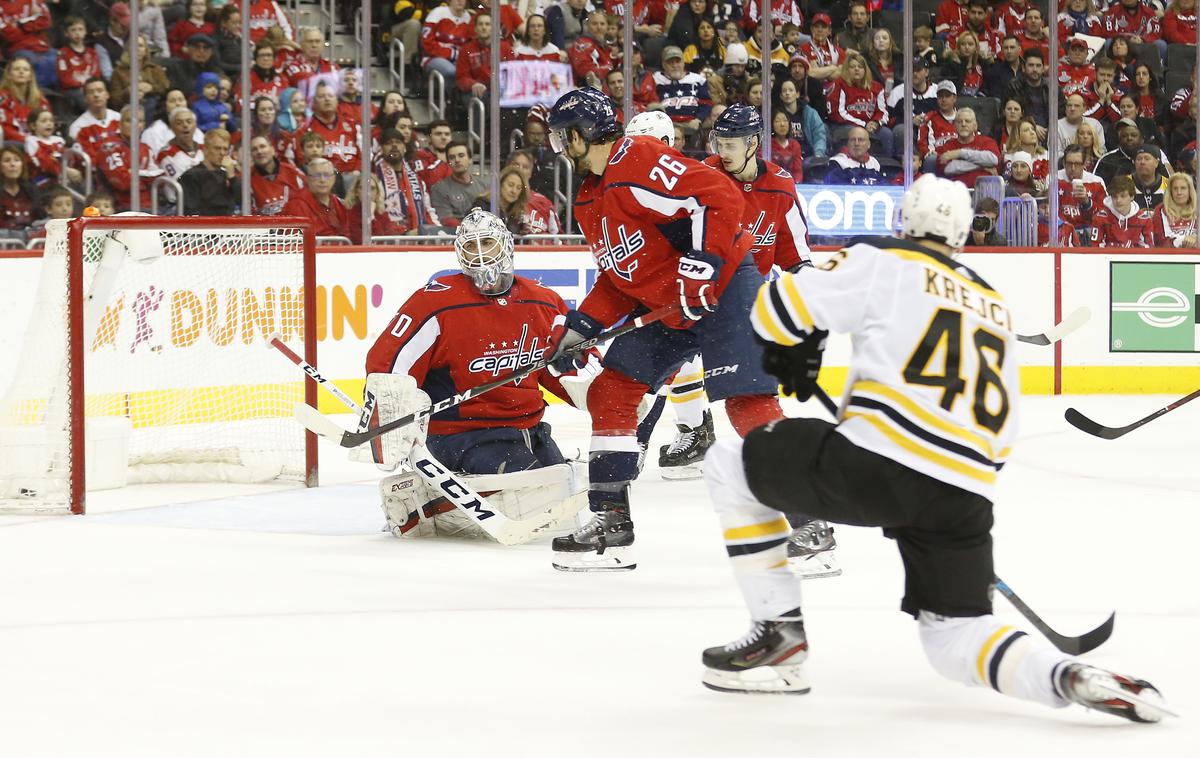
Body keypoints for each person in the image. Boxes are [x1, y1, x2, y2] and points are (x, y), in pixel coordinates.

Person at [696, 172, 1171, 728]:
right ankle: (1066, 676)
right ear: (964, 234)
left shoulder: (884, 259)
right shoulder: (992, 303)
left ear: (904, 221)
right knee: (954, 638)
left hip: (879, 464)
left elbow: (774, 310)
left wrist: (802, 344)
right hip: (966, 493)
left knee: (728, 464)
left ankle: (779, 634)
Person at [543, 87, 785, 572]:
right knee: (612, 390)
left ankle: (806, 520)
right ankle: (610, 517)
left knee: (746, 401)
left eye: (557, 138)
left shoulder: (637, 160)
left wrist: (702, 266)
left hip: (725, 287)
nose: (555, 148)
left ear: (579, 134)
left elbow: (719, 197)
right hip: (670, 307)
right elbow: (620, 277)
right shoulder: (591, 195)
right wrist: (580, 326)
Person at [363, 208, 585, 539]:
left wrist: (591, 383)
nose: (481, 254)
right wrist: (392, 421)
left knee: (562, 487)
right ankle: (412, 508)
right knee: (532, 495)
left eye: (488, 243)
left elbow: (568, 372)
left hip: (528, 429)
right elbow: (386, 363)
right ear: (459, 253)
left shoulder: (544, 302)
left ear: (507, 246)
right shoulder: (436, 303)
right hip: (461, 434)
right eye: (471, 246)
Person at [374, 128, 441, 235]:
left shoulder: (417, 180)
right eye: (389, 143)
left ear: (404, 148)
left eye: (398, 142)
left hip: (418, 237)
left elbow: (427, 210)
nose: (394, 146)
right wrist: (405, 233)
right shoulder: (375, 178)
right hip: (389, 239)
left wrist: (437, 230)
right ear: (381, 149)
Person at [827, 50, 893, 157]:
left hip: (871, 125)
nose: (856, 69)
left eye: (860, 66)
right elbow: (837, 113)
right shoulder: (839, 84)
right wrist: (863, 125)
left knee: (886, 134)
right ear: (847, 70)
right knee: (855, 133)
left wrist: (875, 123)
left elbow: (883, 112)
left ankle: (884, 166)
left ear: (865, 70)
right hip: (846, 125)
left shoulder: (877, 87)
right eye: (852, 67)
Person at [282, 157, 352, 238]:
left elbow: (347, 234)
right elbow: (294, 242)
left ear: (334, 179)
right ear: (308, 179)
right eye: (317, 176)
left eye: (327, 175)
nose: (322, 180)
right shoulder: (296, 204)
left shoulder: (338, 203)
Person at [936, 107, 1000, 188]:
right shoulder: (947, 146)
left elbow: (993, 160)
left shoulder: (987, 142)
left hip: (985, 191)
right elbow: (948, 169)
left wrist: (959, 153)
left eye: (967, 121)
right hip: (956, 192)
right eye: (959, 122)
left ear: (975, 126)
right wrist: (983, 165)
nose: (963, 124)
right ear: (955, 126)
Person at [179, 127, 238, 215]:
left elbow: (244, 202)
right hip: (205, 225)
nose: (222, 153)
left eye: (225, 149)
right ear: (205, 149)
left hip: (230, 224)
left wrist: (232, 177)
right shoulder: (190, 176)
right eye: (217, 148)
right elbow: (191, 212)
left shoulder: (228, 176)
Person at [430, 140, 487, 227]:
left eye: (461, 156)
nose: (457, 160)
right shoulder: (439, 188)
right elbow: (446, 219)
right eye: (452, 157)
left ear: (470, 160)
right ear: (448, 162)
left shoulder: (484, 185)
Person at [1095, 119, 1170, 184]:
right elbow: (1098, 188)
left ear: (1142, 140)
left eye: (1134, 135)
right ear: (1119, 140)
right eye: (1124, 136)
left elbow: (1167, 183)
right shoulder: (1106, 160)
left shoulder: (1153, 156)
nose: (1129, 138)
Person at [1057, 144, 1107, 238]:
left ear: (1084, 164)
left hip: (1089, 232)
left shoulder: (1097, 182)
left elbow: (1104, 215)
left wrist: (1087, 202)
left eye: (1077, 164)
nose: (1072, 168)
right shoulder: (1054, 178)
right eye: (1069, 163)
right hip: (1061, 231)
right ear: (1063, 163)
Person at [1090, 174, 1155, 247]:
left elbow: (1149, 249)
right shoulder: (1100, 218)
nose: (1118, 200)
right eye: (1114, 196)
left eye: (1123, 196)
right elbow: (1095, 248)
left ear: (1132, 196)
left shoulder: (1144, 220)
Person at [69, 78, 121, 164]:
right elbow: (83, 160)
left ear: (107, 95)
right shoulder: (77, 127)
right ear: (85, 98)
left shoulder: (119, 118)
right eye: (91, 92)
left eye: (100, 91)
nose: (96, 95)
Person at [249, 134, 305, 215]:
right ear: (251, 155)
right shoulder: (247, 180)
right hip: (264, 226)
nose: (259, 152)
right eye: (254, 149)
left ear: (272, 149)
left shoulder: (293, 172)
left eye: (262, 146)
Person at [56, 15, 101, 111]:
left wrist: (90, 85)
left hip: (90, 87)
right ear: (66, 33)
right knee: (80, 93)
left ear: (85, 32)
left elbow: (96, 73)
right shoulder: (63, 53)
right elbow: (65, 78)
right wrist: (81, 85)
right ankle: (93, 113)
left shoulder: (92, 53)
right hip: (73, 90)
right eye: (73, 30)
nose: (77, 33)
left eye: (80, 29)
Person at [0, 57, 50, 143]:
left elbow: (47, 124)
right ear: (9, 75)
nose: (21, 72)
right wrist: (29, 140)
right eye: (16, 69)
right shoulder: (2, 97)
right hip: (11, 143)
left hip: (36, 142)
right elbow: (5, 129)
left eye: (25, 69)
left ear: (30, 76)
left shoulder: (40, 100)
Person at [825, 126, 895, 185]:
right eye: (852, 140)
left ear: (868, 145)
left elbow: (884, 187)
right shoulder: (837, 162)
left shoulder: (874, 163)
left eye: (861, 140)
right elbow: (836, 189)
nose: (856, 144)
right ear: (847, 144)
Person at [1149, 172, 1198, 247]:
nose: (1179, 192)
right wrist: (1183, 240)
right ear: (1170, 192)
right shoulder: (1161, 211)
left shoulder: (1198, 209)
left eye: (1183, 188)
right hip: (1170, 256)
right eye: (1175, 189)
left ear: (1190, 191)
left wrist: (1196, 239)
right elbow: (1161, 242)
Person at [0, 146, 36, 240]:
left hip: (31, 245)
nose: (13, 164)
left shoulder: (31, 190)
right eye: (7, 160)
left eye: (16, 160)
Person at [1129, 147, 1170, 211]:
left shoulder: (1168, 185)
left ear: (1156, 163)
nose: (1142, 162)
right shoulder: (1124, 183)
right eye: (1139, 159)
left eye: (1147, 159)